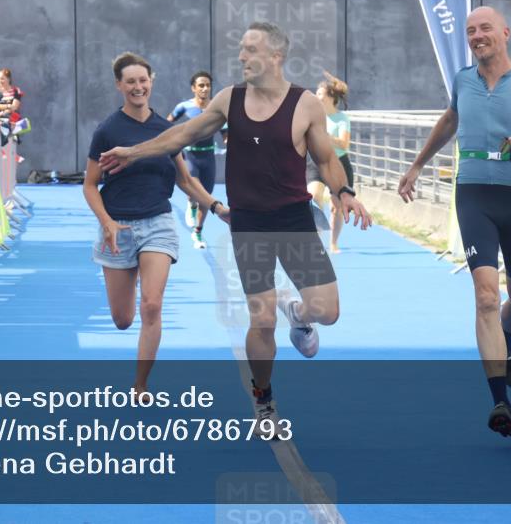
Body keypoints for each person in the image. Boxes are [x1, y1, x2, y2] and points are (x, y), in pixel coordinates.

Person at [99, 22, 372, 430]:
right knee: (262, 321)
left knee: (327, 311)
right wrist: (134, 152)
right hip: (249, 225)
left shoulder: (305, 105)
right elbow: (181, 134)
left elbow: (327, 159)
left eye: (250, 50)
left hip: (294, 220)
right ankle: (264, 401)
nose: (241, 56)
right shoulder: (230, 99)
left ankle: (297, 313)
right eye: (241, 49)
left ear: (276, 56)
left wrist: (344, 192)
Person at [397, 6, 511, 437]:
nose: (477, 36)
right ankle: (500, 401)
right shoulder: (463, 80)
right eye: (470, 31)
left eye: (485, 29)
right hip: (474, 194)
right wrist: (417, 165)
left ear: (505, 33)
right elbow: (450, 119)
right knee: (485, 295)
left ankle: (506, 346)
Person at [85, 52, 229, 398]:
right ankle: (129, 275)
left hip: (158, 223)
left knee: (151, 305)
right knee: (123, 320)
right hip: (118, 227)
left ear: (151, 82)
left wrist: (216, 206)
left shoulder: (166, 130)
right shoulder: (107, 131)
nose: (138, 87)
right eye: (130, 81)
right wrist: (107, 222)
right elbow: (90, 185)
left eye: (143, 80)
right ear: (119, 85)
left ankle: (140, 384)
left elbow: (185, 180)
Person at [167, 71, 217, 249]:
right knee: (195, 190)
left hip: (208, 157)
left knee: (206, 198)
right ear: (193, 88)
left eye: (207, 85)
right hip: (190, 157)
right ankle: (191, 202)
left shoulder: (216, 107)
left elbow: (226, 133)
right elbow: (167, 123)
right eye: (201, 85)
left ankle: (198, 232)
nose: (205, 88)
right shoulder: (184, 106)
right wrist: (172, 141)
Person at [306, 71, 352, 254]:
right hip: (317, 161)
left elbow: (344, 144)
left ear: (331, 97)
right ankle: (317, 238)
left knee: (337, 207)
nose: (316, 96)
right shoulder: (313, 116)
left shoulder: (342, 119)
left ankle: (333, 243)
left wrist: (325, 136)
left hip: (338, 164)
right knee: (313, 197)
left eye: (319, 93)